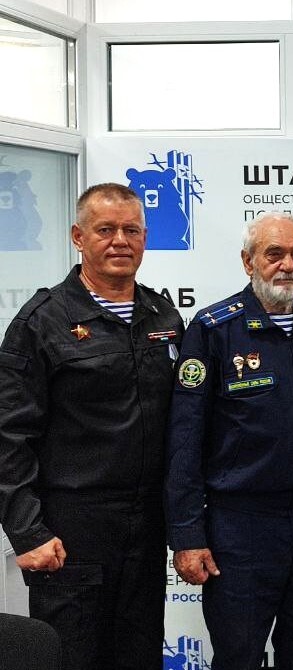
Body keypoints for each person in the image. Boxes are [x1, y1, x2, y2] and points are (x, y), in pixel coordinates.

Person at [0, 183, 182, 670]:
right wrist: (27, 531)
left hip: (146, 529)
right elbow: (9, 436)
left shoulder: (162, 315)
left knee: (140, 655)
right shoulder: (41, 322)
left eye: (132, 230)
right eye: (106, 230)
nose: (120, 240)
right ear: (78, 237)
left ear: (145, 238)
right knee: (74, 658)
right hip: (71, 531)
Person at [165, 212, 293, 670]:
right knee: (238, 657)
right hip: (240, 528)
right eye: (274, 254)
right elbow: (185, 438)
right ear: (248, 262)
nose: (288, 265)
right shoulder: (214, 329)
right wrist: (187, 535)